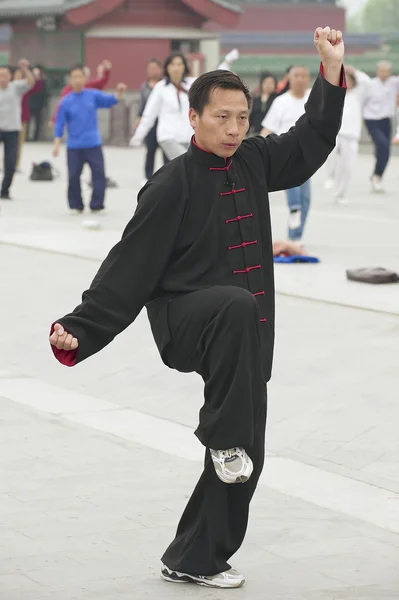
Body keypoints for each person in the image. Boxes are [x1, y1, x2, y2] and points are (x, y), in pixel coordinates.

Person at [49, 27, 345, 589]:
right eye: (221, 118)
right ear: (193, 118)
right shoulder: (170, 184)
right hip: (185, 321)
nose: (233, 129)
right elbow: (128, 267)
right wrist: (79, 329)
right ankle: (222, 437)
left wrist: (330, 69)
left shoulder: (256, 159)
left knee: (248, 455)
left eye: (241, 118)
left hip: (244, 334)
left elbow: (312, 139)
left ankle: (196, 555)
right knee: (234, 316)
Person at [130, 50, 239, 160]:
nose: (176, 68)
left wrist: (227, 62)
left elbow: (212, 79)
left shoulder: (192, 84)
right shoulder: (161, 88)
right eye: (172, 64)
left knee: (180, 171)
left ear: (184, 67)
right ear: (167, 67)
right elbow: (150, 114)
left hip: (189, 137)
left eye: (179, 64)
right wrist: (138, 136)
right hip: (168, 137)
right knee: (189, 162)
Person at [53, 65, 126, 214]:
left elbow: (109, 101)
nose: (78, 80)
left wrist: (119, 93)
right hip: (74, 145)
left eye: (80, 76)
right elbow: (59, 123)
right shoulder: (66, 101)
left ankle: (97, 204)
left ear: (86, 78)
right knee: (73, 176)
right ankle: (76, 205)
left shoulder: (92, 95)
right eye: (74, 77)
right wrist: (56, 143)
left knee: (98, 174)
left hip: (93, 144)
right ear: (70, 80)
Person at [261, 65, 312, 241]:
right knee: (294, 188)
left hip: (308, 155)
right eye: (296, 75)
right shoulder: (281, 101)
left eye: (304, 76)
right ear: (289, 79)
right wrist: (258, 147)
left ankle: (295, 237)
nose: (300, 79)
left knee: (306, 198)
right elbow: (268, 127)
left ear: (308, 79)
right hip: (286, 153)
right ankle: (293, 207)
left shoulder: (313, 100)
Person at [324, 66, 370, 204]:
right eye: (345, 80)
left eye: (350, 80)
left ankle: (340, 194)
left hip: (351, 137)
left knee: (347, 167)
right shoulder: (336, 94)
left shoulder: (358, 95)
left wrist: (354, 71)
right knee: (330, 157)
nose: (347, 82)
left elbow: (367, 82)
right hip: (337, 134)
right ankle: (330, 176)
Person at [0, 59, 34, 199]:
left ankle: (5, 190)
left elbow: (31, 82)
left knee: (10, 163)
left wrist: (26, 69)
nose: (2, 78)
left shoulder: (16, 87)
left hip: (12, 130)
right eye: (0, 75)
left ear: (10, 76)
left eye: (5, 75)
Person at [363, 60, 399, 192]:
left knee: (386, 150)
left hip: (386, 120)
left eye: (387, 71)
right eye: (382, 71)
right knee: (382, 144)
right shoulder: (370, 85)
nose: (385, 74)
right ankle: (377, 170)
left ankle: (377, 176)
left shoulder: (394, 83)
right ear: (378, 71)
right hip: (371, 119)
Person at [49, 60, 112, 127]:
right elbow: (61, 105)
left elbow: (101, 82)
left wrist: (107, 70)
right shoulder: (69, 89)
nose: (84, 78)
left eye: (86, 76)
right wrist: (54, 119)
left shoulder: (88, 85)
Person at [134, 58, 167, 183]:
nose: (153, 71)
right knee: (150, 151)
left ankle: (167, 176)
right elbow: (142, 105)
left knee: (166, 152)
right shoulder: (144, 86)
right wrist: (139, 119)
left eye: (155, 68)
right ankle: (148, 177)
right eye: (150, 68)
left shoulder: (165, 84)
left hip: (164, 122)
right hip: (150, 124)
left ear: (160, 69)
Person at [13, 64, 43, 170]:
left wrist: (27, 70)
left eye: (20, 75)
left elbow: (36, 86)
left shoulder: (23, 89)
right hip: (6, 120)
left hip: (21, 118)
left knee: (19, 143)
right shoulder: (9, 86)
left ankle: (16, 164)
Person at [28, 66, 48, 141]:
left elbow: (45, 95)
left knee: (38, 123)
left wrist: (44, 106)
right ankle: (27, 137)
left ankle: (35, 137)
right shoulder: (29, 83)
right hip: (29, 105)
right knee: (28, 122)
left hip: (39, 106)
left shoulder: (43, 83)